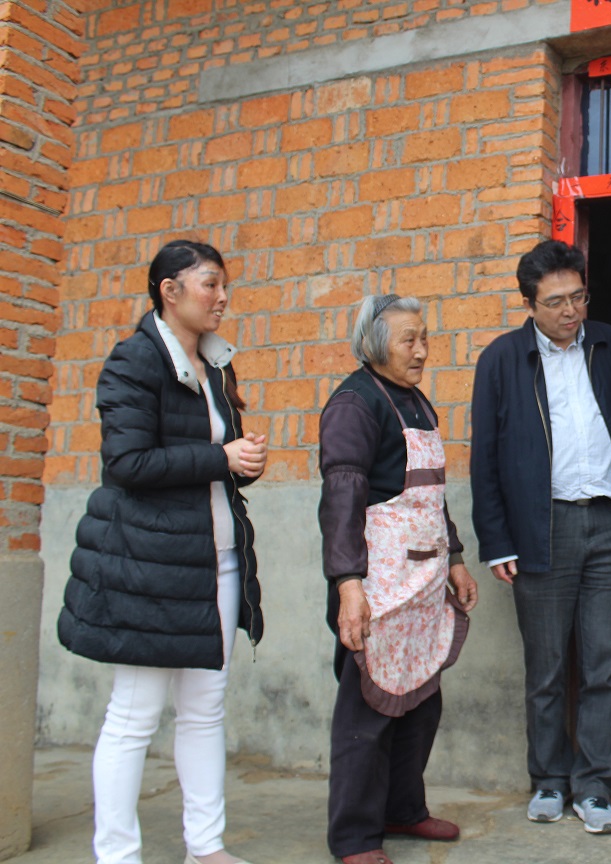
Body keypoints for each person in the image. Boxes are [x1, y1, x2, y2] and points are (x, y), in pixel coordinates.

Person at [58, 239, 268, 864]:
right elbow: (126, 463)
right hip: (149, 563)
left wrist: (243, 463)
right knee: (135, 715)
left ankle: (206, 847)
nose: (222, 297)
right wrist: (219, 458)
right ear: (169, 291)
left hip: (216, 559)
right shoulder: (134, 360)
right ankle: (117, 855)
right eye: (210, 284)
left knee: (205, 709)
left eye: (224, 285)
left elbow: (215, 461)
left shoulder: (216, 363)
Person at [470, 239, 611, 834]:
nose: (571, 311)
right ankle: (549, 779)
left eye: (578, 296)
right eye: (555, 302)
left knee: (607, 665)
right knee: (547, 667)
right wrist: (497, 540)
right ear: (529, 304)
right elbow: (486, 458)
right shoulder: (502, 360)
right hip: (541, 528)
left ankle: (596, 787)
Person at [318, 294, 478, 864]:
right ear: (374, 344)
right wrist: (348, 585)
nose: (422, 350)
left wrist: (455, 558)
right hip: (379, 585)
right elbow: (341, 498)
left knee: (420, 702)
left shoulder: (415, 401)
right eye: (409, 339)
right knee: (368, 710)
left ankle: (403, 809)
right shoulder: (355, 404)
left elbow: (431, 496)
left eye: (424, 338)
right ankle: (355, 836)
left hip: (425, 582)